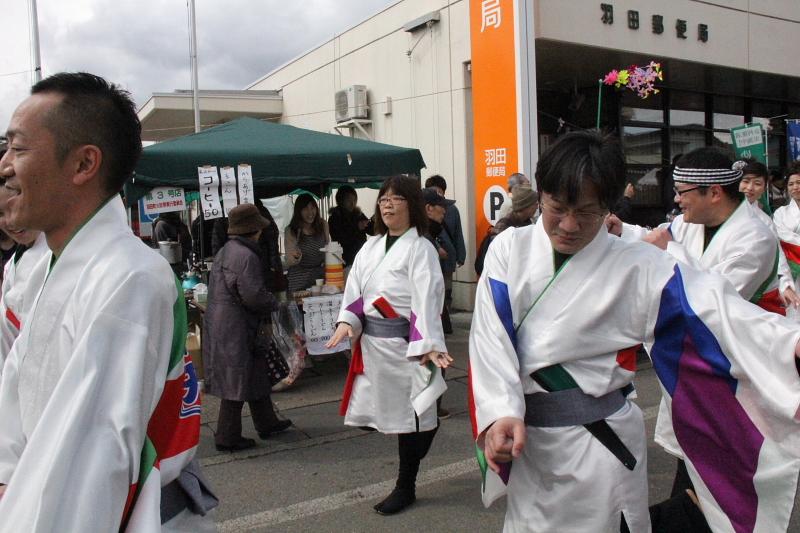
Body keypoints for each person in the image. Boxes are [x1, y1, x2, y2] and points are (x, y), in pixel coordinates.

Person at [469, 130, 800, 532]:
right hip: (530, 440)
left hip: (599, 444)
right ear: (541, 195)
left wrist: (791, 344)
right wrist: (501, 409)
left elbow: (717, 310)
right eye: (558, 208)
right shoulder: (510, 249)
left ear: (608, 207)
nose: (569, 225)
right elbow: (490, 337)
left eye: (587, 212)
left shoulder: (640, 266)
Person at [0, 72, 215, 531]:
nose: (5, 165)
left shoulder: (129, 277)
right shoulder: (44, 268)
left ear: (83, 164)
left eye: (18, 148)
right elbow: (15, 394)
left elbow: (93, 460)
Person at [326, 176, 452, 516]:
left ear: (411, 205)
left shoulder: (421, 248)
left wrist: (427, 344)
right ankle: (420, 442)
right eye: (383, 198)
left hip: (406, 344)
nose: (387, 203)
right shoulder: (370, 247)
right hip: (374, 347)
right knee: (396, 417)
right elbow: (355, 292)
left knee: (411, 419)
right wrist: (345, 323)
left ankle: (404, 486)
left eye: (396, 198)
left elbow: (427, 299)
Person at [204, 204, 292, 452]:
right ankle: (227, 437)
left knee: (254, 373)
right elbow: (253, 295)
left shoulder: (227, 251)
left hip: (225, 323)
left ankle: (267, 421)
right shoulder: (246, 256)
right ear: (254, 229)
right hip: (238, 326)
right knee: (236, 380)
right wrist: (275, 303)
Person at [737, 158, 798, 308]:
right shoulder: (781, 214)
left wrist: (785, 282)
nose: (750, 188)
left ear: (764, 188)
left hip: (756, 282)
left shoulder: (765, 220)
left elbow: (777, 253)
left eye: (757, 184)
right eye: (745, 181)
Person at [0, 184, 46, 373]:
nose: (10, 221)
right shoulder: (14, 264)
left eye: (16, 207)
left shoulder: (62, 256)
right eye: (0, 213)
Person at [424, 175, 465, 334]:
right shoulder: (422, 239)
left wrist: (460, 255)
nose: (444, 208)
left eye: (440, 192)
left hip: (447, 259)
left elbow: (458, 233)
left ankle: (443, 319)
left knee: (445, 290)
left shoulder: (452, 210)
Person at [285, 193, 330, 293]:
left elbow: (328, 250)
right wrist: (295, 256)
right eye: (305, 208)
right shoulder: (291, 230)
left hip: (319, 279)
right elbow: (289, 260)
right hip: (298, 282)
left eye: (313, 207)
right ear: (298, 211)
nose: (310, 212)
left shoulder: (323, 225)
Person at [773, 161, 800, 289]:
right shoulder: (780, 212)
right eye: (791, 184)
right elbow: (782, 237)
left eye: (799, 183)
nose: (795, 187)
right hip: (790, 267)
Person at [328, 185, 369, 267]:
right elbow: (339, 238)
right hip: (343, 262)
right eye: (349, 200)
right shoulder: (335, 217)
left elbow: (372, 230)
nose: (352, 203)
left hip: (361, 259)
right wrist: (357, 228)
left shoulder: (359, 214)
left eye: (354, 200)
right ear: (341, 200)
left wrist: (374, 221)